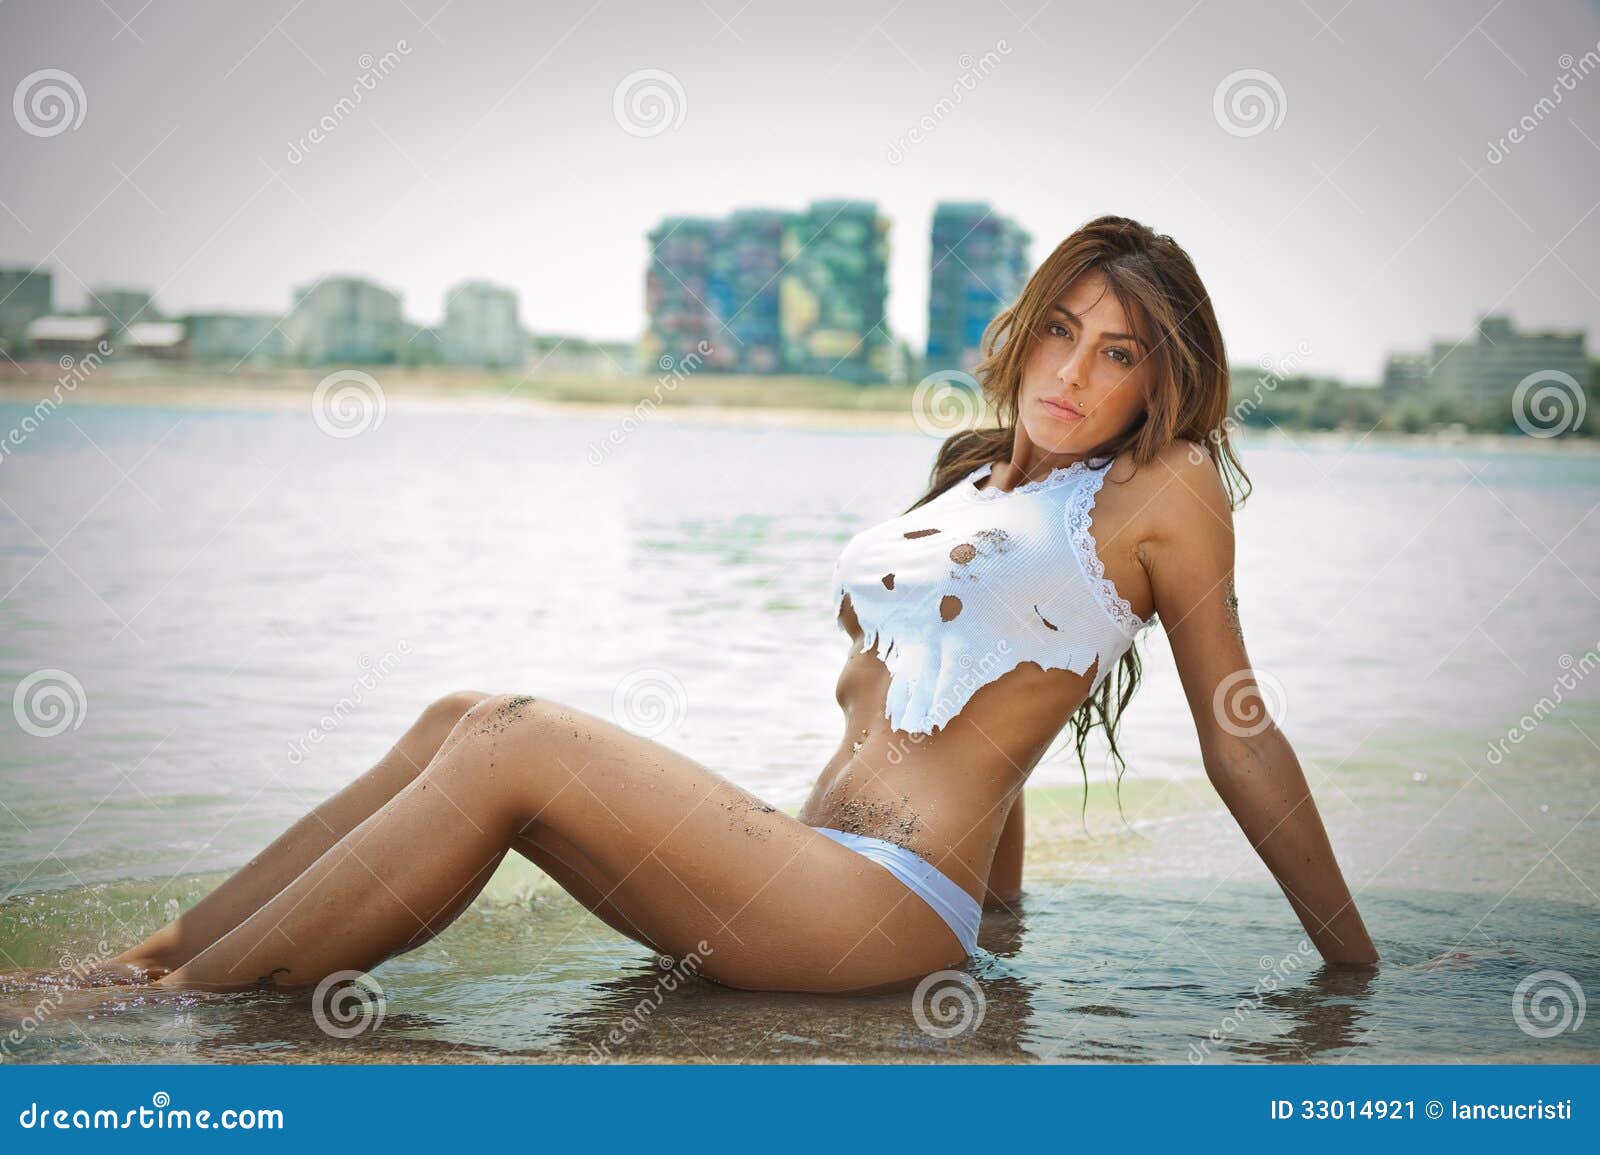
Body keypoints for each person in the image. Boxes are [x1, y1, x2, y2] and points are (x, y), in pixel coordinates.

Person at [33, 215, 1380, 996]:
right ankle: (152, 962)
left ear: (1159, 383)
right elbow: (979, 698)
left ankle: (169, 1022)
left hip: (884, 908)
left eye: (1120, 353)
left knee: (512, 732)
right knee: (457, 712)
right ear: (1024, 325)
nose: (1077, 372)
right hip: (813, 873)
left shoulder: (1164, 490)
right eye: (1063, 331)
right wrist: (1010, 925)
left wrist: (1354, 967)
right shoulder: (973, 483)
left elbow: (1238, 731)